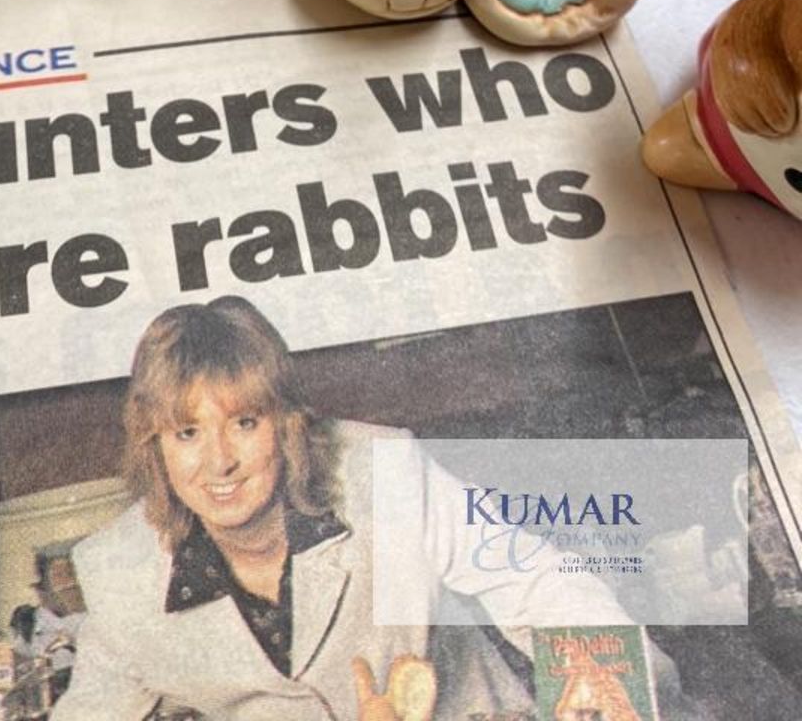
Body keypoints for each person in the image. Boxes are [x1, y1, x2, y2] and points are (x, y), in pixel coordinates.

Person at [51, 296, 670, 721]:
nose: (218, 463)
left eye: (243, 422)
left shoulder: (383, 471)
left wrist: (607, 684)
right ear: (152, 445)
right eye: (186, 433)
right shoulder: (118, 574)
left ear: (288, 424)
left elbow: (536, 583)